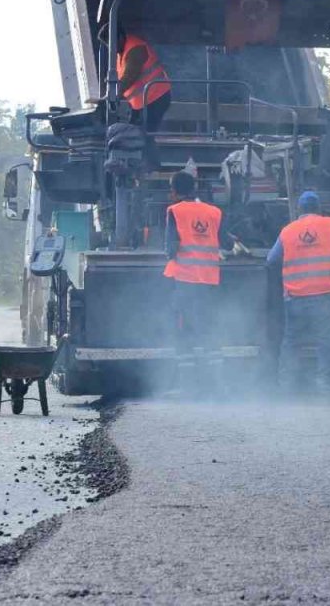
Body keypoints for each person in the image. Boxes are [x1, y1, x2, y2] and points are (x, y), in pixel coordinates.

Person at [266, 192, 330, 395]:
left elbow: (271, 259)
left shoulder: (287, 231)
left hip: (295, 297)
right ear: (318, 208)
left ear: (299, 210)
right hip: (323, 295)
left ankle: (286, 386)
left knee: (291, 342)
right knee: (324, 342)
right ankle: (325, 387)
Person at [163, 170, 235, 393]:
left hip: (185, 280)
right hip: (209, 280)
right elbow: (227, 244)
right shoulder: (214, 212)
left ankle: (187, 385)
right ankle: (218, 384)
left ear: (174, 191)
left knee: (185, 329)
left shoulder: (175, 211)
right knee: (209, 328)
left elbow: (170, 249)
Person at [117, 32, 171, 132]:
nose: (110, 48)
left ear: (119, 38)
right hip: (142, 101)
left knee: (145, 133)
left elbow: (130, 76)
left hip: (155, 97)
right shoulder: (122, 51)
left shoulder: (135, 49)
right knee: (136, 133)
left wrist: (115, 93)